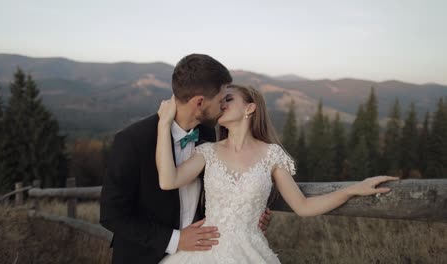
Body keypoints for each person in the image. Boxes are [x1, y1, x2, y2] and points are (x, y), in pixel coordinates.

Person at [156, 84, 399, 263]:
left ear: (249, 108)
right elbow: (168, 181)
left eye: (229, 99)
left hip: (250, 253)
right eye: (221, 100)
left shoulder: (272, 155)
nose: (222, 104)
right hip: (203, 252)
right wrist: (164, 124)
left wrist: (353, 189)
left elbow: (303, 206)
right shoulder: (207, 151)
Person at [99, 54, 271, 264]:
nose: (223, 106)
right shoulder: (132, 141)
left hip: (202, 256)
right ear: (199, 102)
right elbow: (112, 215)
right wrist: (176, 239)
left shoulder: (207, 135)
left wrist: (249, 215)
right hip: (144, 256)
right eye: (220, 100)